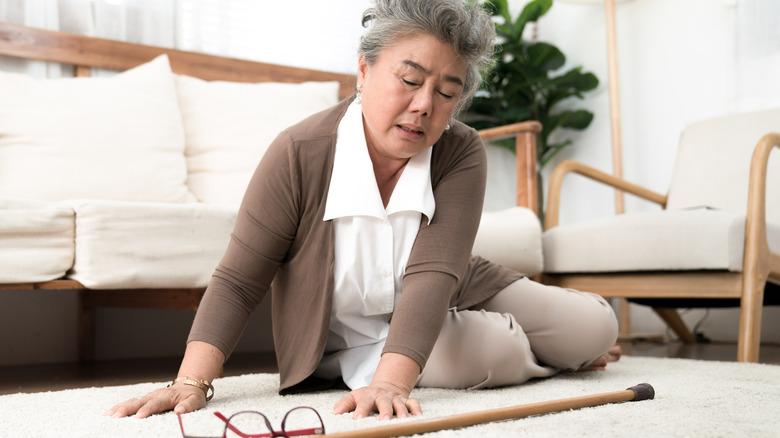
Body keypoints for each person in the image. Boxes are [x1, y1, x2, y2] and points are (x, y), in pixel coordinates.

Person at [105, 0, 620, 421]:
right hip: (353, 336)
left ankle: (553, 349)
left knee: (595, 326)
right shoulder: (298, 151)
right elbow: (240, 279)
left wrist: (394, 383)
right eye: (410, 80)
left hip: (446, 288)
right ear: (364, 70)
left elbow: (437, 271)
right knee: (493, 348)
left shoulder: (461, 150)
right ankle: (538, 356)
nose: (424, 106)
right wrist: (191, 381)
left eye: (446, 93)